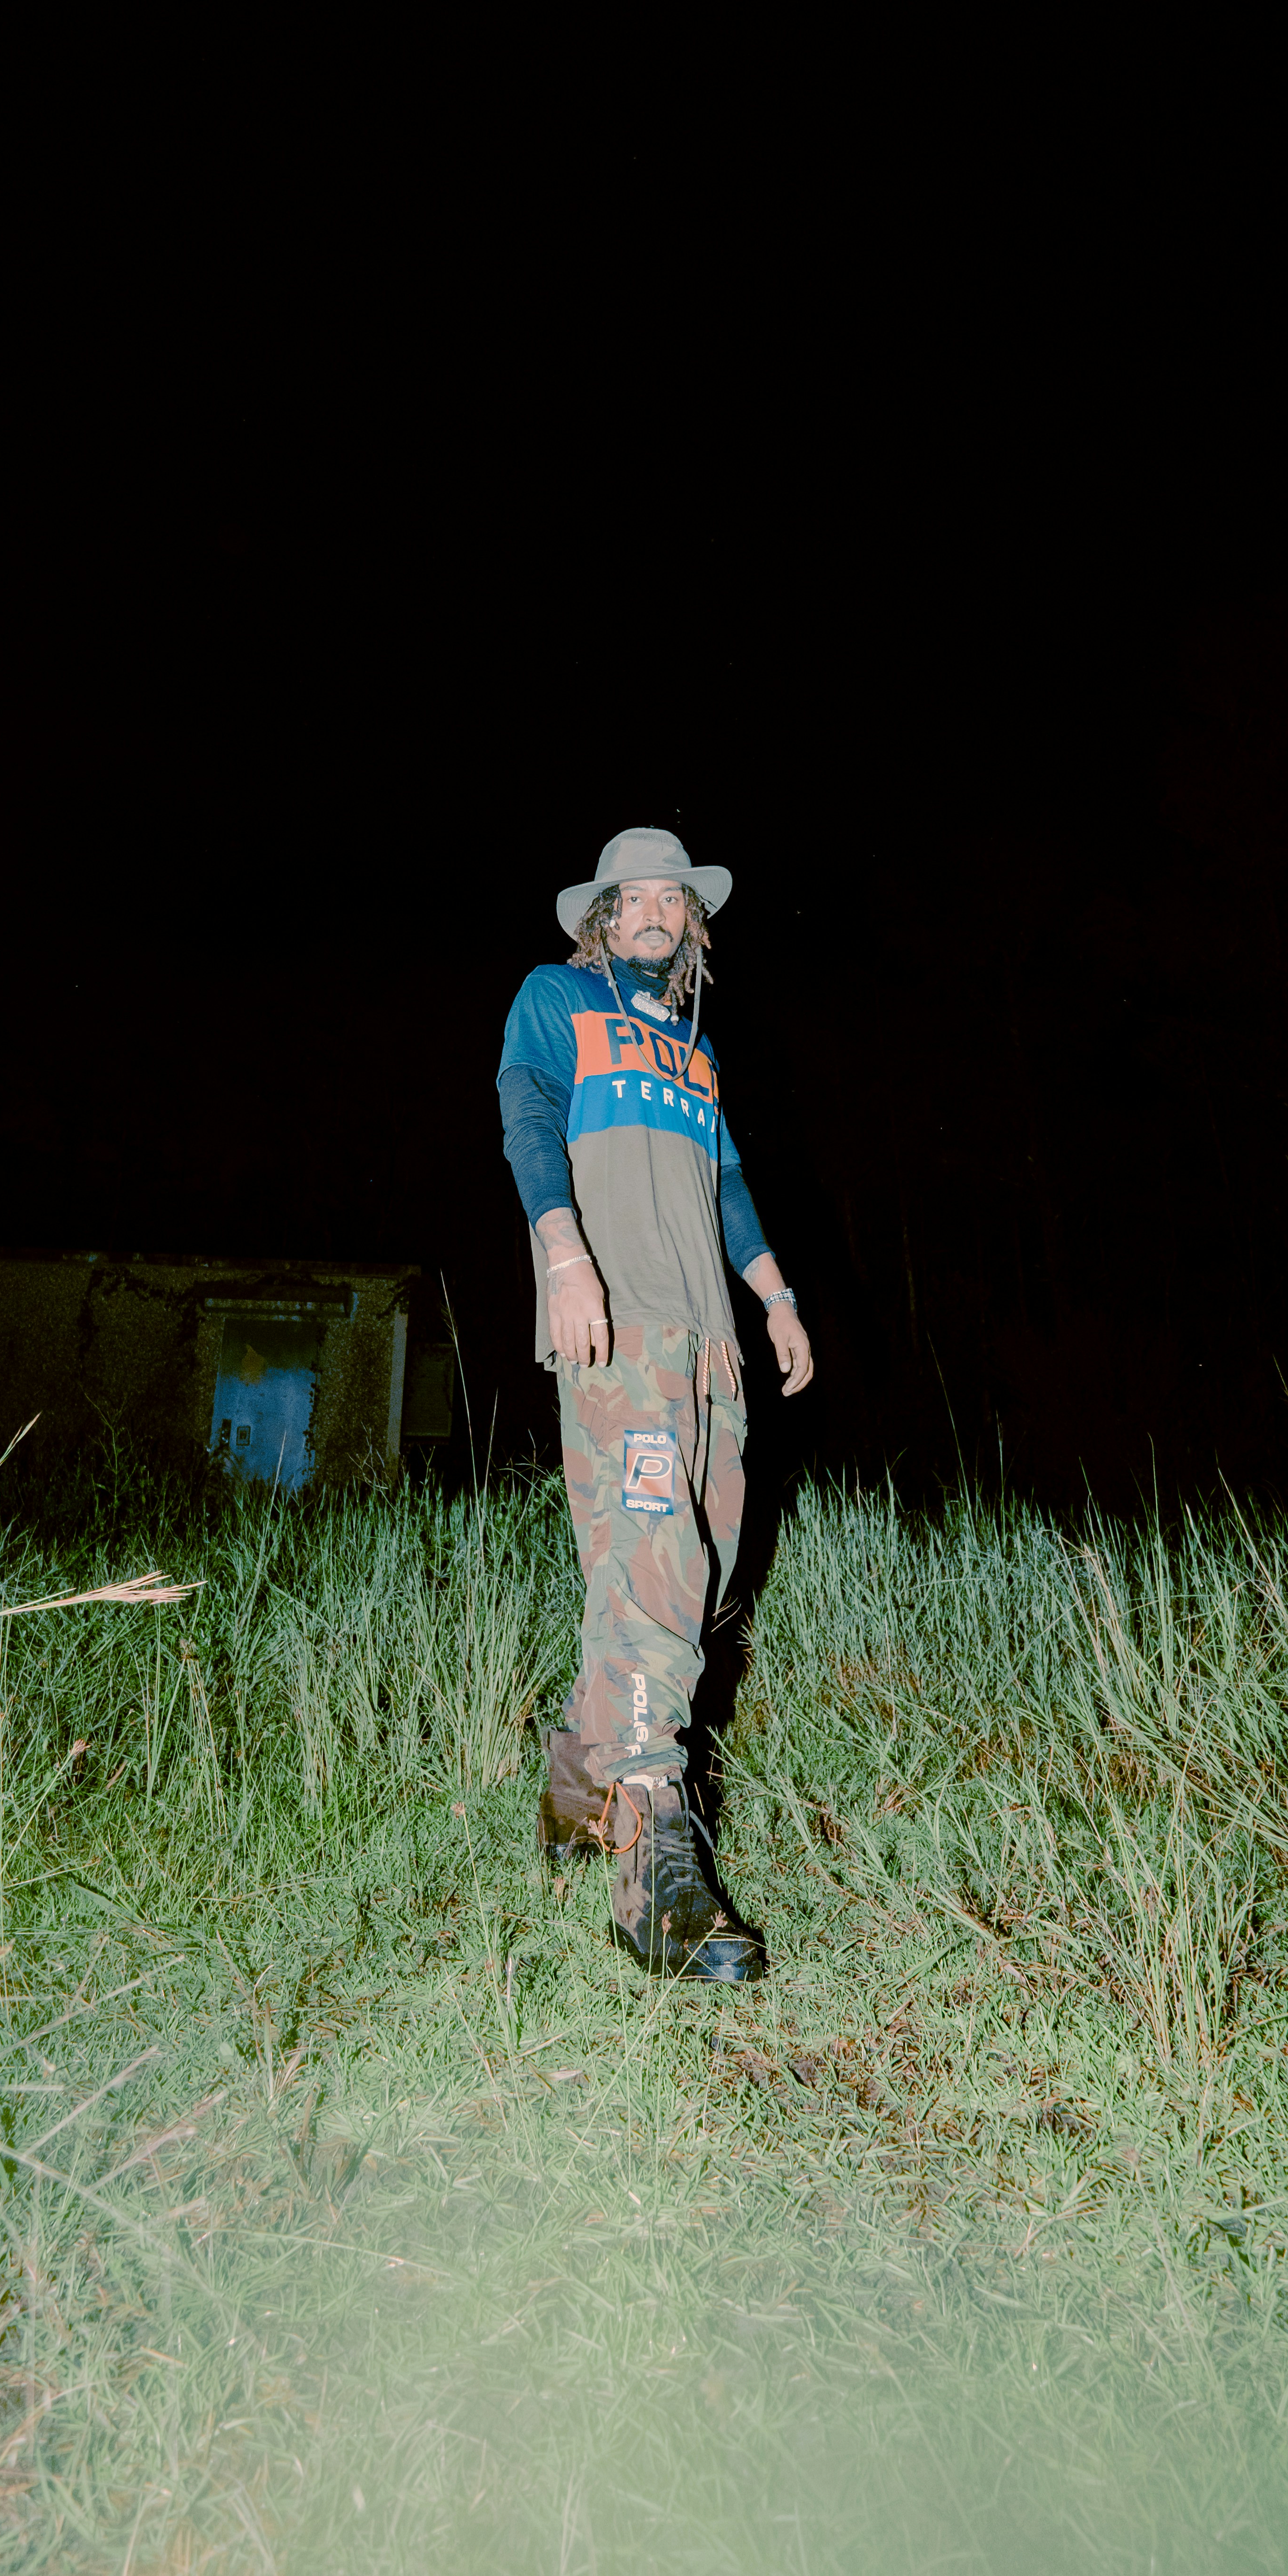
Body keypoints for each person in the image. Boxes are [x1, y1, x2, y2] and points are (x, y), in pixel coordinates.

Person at [497, 827, 814, 1981]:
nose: (650, 912)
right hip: (618, 1319)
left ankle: (575, 1786)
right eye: (630, 897)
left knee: (698, 1570)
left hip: (709, 1341)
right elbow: (528, 1112)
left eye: (668, 899)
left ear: (690, 922)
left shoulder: (693, 1047)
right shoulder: (558, 998)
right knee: (652, 1564)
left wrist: (775, 1299)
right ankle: (652, 1875)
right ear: (602, 915)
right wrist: (562, 1254)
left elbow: (726, 1179)